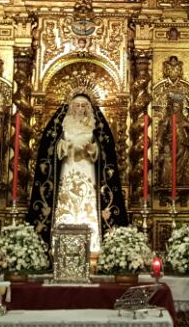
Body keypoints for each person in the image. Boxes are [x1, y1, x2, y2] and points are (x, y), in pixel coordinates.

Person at [25, 93, 129, 251]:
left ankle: (93, 245)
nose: (80, 109)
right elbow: (50, 147)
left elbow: (105, 150)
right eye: (77, 105)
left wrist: (93, 150)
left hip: (88, 170)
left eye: (83, 106)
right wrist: (62, 147)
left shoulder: (95, 126)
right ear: (71, 107)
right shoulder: (63, 125)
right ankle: (59, 243)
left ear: (88, 108)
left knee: (88, 199)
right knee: (66, 199)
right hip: (68, 169)